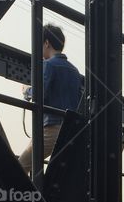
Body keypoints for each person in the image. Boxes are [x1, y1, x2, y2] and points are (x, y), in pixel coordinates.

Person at [19, 24, 83, 174]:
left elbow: (39, 95)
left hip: (52, 128)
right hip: (70, 131)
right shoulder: (75, 71)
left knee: (20, 167)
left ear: (47, 43)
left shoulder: (48, 65)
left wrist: (27, 90)